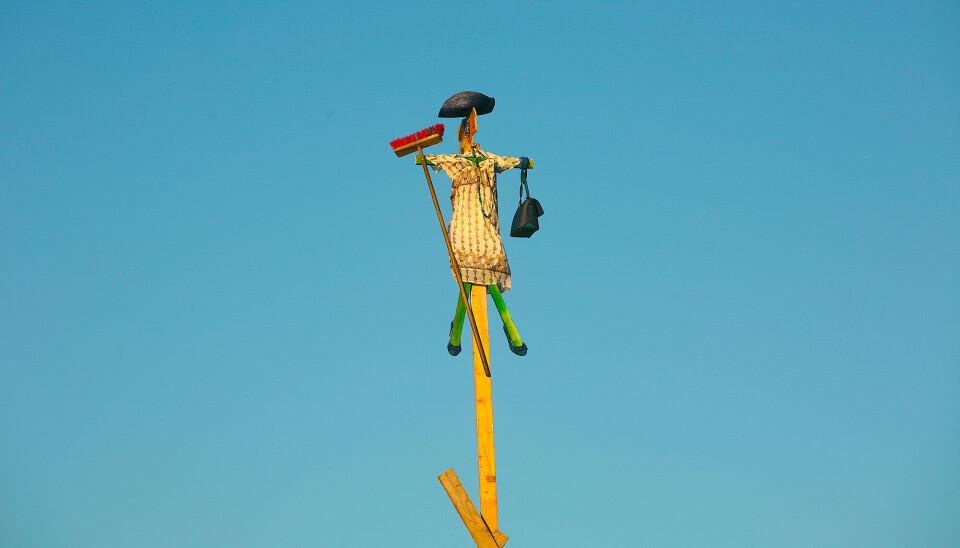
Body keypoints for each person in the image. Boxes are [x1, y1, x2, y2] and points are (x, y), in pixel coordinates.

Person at [425, 92, 527, 356]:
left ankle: (506, 331)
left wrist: (521, 163)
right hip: (464, 223)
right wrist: (423, 157)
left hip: (484, 224)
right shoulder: (458, 162)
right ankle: (458, 332)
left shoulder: (487, 159)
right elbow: (435, 160)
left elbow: (506, 161)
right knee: (467, 276)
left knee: (490, 263)